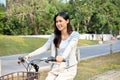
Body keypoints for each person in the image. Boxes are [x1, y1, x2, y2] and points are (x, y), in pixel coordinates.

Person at [25, 11, 80, 80]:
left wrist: (62, 57)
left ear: (67, 21)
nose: (58, 23)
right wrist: (29, 55)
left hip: (68, 68)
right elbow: (44, 47)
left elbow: (70, 47)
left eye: (60, 21)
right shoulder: (54, 35)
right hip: (56, 67)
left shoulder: (74, 35)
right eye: (56, 22)